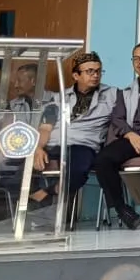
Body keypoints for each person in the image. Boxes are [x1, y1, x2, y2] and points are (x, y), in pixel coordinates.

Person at [28, 51, 117, 218]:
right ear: (76, 75)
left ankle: (48, 193)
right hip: (53, 144)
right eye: (90, 71)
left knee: (79, 168)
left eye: (98, 71)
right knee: (11, 165)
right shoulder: (59, 98)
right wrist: (38, 147)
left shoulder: (113, 95)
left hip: (83, 145)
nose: (95, 75)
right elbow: (46, 127)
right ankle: (27, 205)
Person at [96, 42, 140, 229]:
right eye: (136, 59)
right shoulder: (126, 92)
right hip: (136, 139)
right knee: (103, 159)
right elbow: (118, 119)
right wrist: (131, 135)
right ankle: (122, 209)